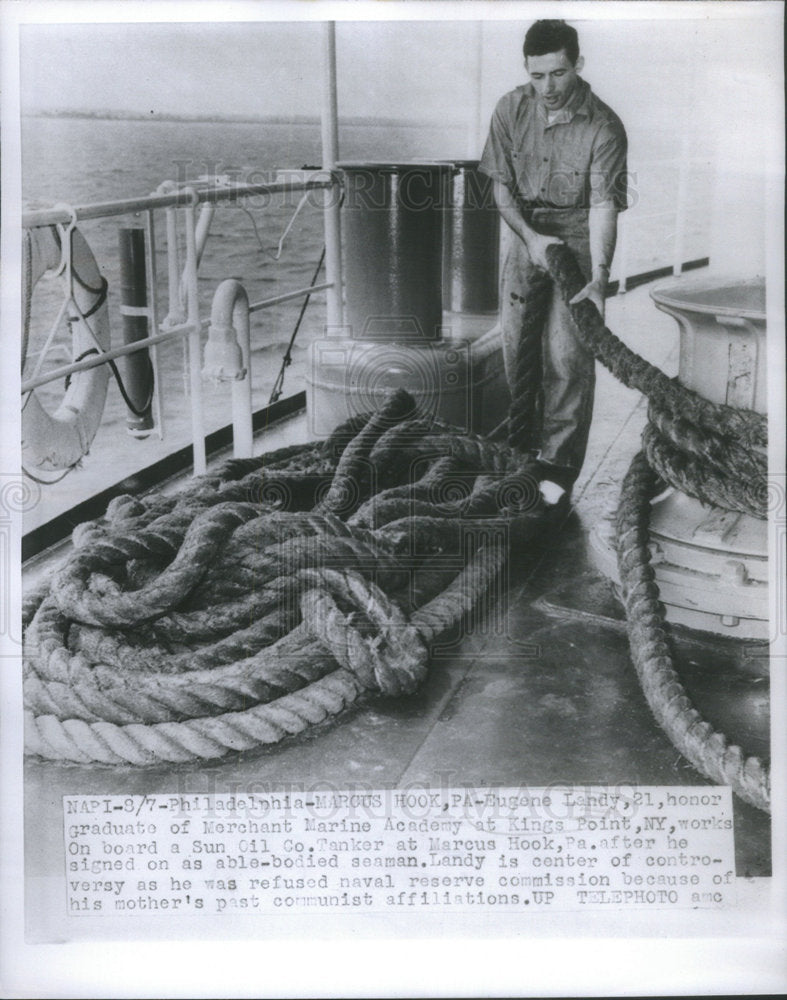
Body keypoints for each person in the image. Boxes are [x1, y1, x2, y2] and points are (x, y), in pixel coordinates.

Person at [479, 19, 628, 506]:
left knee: (566, 357)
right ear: (527, 69)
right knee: (517, 351)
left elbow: (603, 205)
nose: (548, 87)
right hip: (525, 230)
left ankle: (557, 473)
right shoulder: (510, 108)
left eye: (559, 74)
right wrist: (530, 239)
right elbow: (501, 188)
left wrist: (600, 278)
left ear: (577, 64)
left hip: (578, 232)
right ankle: (525, 454)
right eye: (537, 75)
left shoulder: (604, 126)